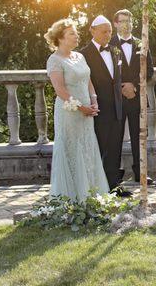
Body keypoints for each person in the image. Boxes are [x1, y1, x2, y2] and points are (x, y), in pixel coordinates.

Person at [45, 19, 109, 201]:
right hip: (69, 113)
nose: (76, 36)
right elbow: (60, 91)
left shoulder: (79, 57)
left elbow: (88, 81)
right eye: (72, 33)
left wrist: (94, 102)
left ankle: (90, 194)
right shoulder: (54, 60)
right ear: (60, 38)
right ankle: (72, 198)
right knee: (72, 150)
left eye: (76, 33)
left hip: (87, 112)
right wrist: (81, 108)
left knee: (87, 148)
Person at [79, 15, 131, 197]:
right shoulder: (83, 54)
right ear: (92, 31)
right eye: (104, 31)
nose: (108, 35)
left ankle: (114, 186)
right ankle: (95, 189)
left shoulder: (115, 51)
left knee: (115, 149)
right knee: (98, 149)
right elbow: (82, 82)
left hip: (117, 108)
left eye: (110, 31)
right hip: (97, 109)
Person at [111, 9, 155, 185]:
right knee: (115, 137)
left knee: (140, 137)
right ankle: (114, 174)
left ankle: (141, 173)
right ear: (115, 23)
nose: (126, 24)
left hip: (138, 98)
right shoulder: (110, 44)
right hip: (117, 99)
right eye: (122, 21)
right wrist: (122, 87)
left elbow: (149, 70)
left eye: (129, 21)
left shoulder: (141, 43)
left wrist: (134, 86)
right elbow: (106, 70)